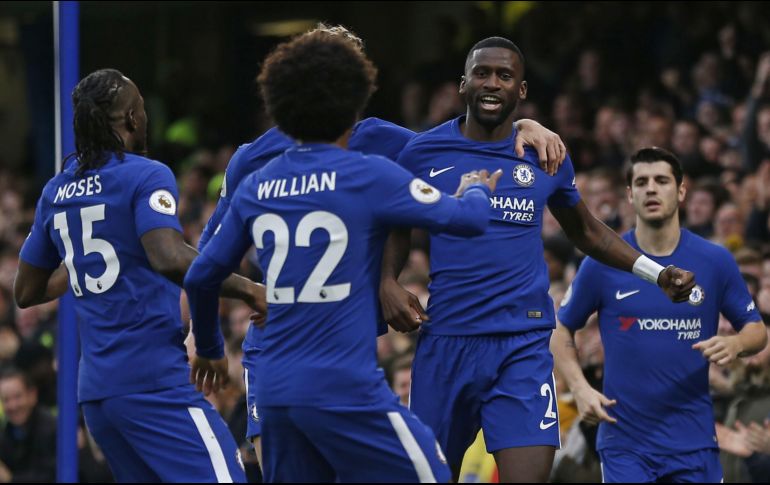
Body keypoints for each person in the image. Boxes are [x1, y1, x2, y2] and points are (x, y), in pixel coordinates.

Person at [197, 23, 570, 467]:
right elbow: (466, 202)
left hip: (276, 366)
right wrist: (474, 188)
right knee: (425, 471)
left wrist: (208, 343)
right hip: (343, 367)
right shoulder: (369, 169)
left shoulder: (261, 179)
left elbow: (203, 271)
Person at [379, 37, 696, 482]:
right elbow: (395, 224)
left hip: (522, 345)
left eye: (505, 76)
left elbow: (586, 230)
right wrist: (386, 281)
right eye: (482, 74)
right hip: (446, 341)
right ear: (463, 85)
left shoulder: (545, 155)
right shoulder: (422, 153)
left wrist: (656, 272)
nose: (492, 83)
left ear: (521, 91)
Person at [14, 68, 266, 482]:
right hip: (153, 384)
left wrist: (85, 261)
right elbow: (168, 257)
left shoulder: (55, 192)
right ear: (132, 118)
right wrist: (251, 290)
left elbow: (27, 289)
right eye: (143, 110)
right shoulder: (145, 174)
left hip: (97, 396)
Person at [553, 147, 768, 483]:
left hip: (694, 442)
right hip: (626, 445)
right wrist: (579, 387)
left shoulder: (715, 260)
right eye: (641, 182)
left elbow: (757, 330)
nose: (651, 188)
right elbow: (561, 329)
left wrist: (737, 344)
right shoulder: (602, 262)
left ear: (681, 191)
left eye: (661, 180)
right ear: (629, 194)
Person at [0, 368, 56, 482]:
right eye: (6, 400)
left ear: (32, 395)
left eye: (17, 397)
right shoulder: (8, 432)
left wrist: (10, 479)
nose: (12, 406)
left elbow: (50, 477)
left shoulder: (51, 430)